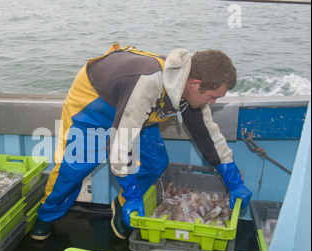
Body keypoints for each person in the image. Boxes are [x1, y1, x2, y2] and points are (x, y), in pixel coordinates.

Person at [31, 43, 252, 240]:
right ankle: (45, 216)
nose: (212, 102)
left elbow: (210, 137)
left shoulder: (190, 94)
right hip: (93, 105)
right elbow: (120, 144)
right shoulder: (147, 84)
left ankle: (122, 205)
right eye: (212, 97)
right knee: (73, 170)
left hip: (135, 110)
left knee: (156, 162)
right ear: (195, 84)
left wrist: (234, 182)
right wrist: (133, 192)